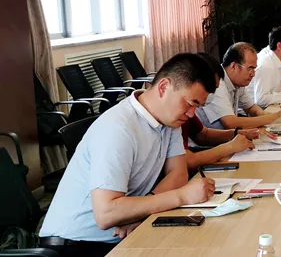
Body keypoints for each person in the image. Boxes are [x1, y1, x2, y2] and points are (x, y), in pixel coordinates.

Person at [39, 53, 218, 257]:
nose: (192, 114)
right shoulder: (118, 128)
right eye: (190, 103)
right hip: (76, 245)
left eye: (197, 106)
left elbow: (178, 174)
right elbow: (106, 213)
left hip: (119, 234)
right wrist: (181, 196)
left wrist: (140, 211)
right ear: (163, 87)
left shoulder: (170, 120)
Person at [182, 53, 262, 171]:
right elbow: (187, 161)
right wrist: (229, 147)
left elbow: (203, 134)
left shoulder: (188, 108)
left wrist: (237, 133)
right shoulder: (179, 112)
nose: (211, 95)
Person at [196, 43, 281, 129]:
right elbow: (230, 123)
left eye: (254, 69)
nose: (253, 74)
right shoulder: (218, 83)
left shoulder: (238, 83)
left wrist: (264, 115)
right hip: (210, 141)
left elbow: (251, 108)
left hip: (227, 136)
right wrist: (273, 117)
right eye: (250, 69)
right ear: (233, 66)